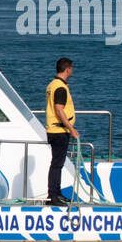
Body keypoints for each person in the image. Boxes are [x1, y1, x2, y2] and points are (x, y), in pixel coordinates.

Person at [45, 57, 79, 205]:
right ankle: (53, 195)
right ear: (67, 69)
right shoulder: (60, 87)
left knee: (57, 163)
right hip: (59, 131)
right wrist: (71, 129)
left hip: (54, 129)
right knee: (57, 164)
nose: (72, 71)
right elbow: (59, 110)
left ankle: (56, 193)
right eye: (71, 68)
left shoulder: (52, 84)